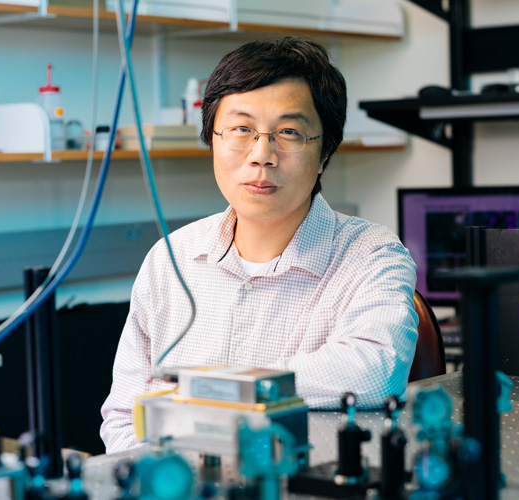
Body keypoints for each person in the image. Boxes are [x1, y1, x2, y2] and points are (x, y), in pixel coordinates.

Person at [100, 36, 418, 453]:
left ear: (325, 153)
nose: (262, 154)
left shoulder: (372, 255)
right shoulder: (170, 259)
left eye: (289, 132)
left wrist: (220, 389)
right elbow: (124, 419)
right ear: (212, 140)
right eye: (241, 129)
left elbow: (374, 372)